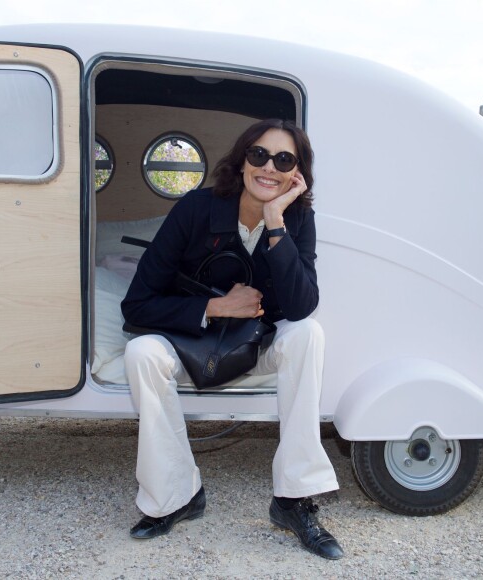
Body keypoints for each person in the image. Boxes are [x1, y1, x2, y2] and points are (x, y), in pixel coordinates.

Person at [121, 119, 343, 560]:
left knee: (307, 335)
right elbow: (137, 304)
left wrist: (276, 222)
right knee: (141, 352)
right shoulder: (196, 209)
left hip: (255, 348)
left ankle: (293, 499)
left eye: (284, 160)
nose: (269, 168)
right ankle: (176, 496)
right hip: (193, 342)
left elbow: (301, 306)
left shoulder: (298, 219)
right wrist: (215, 307)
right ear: (242, 160)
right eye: (259, 154)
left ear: (296, 173)